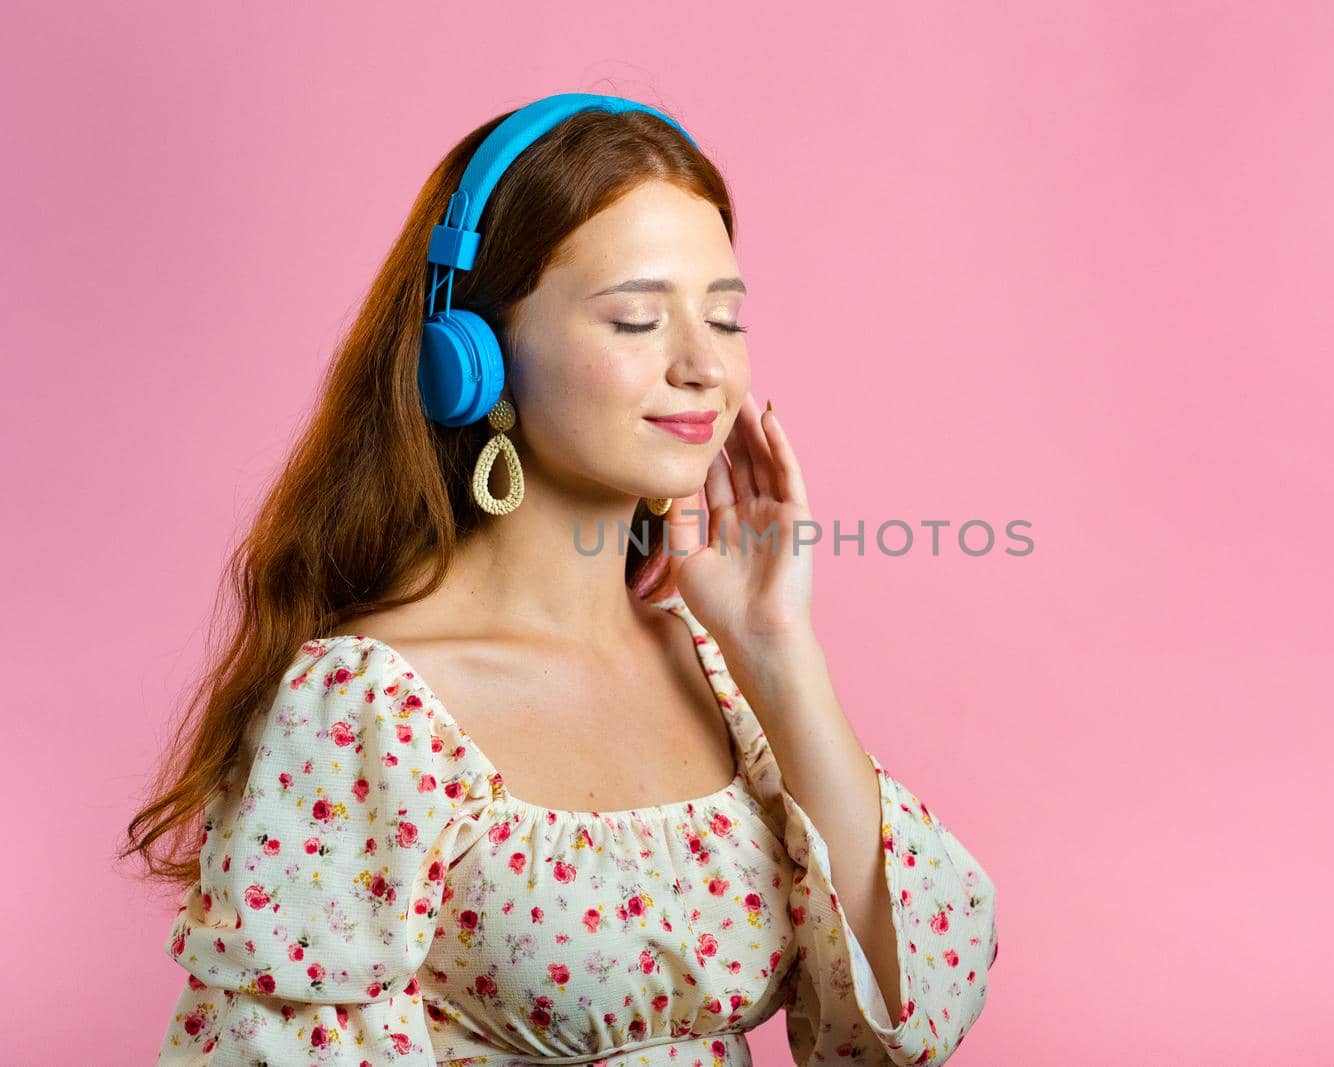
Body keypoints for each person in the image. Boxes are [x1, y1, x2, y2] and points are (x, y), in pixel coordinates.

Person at [125, 93, 998, 1066]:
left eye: (726, 316)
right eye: (635, 318)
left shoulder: (713, 669)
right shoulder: (365, 703)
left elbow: (900, 1032)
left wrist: (775, 646)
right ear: (477, 353)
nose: (706, 366)